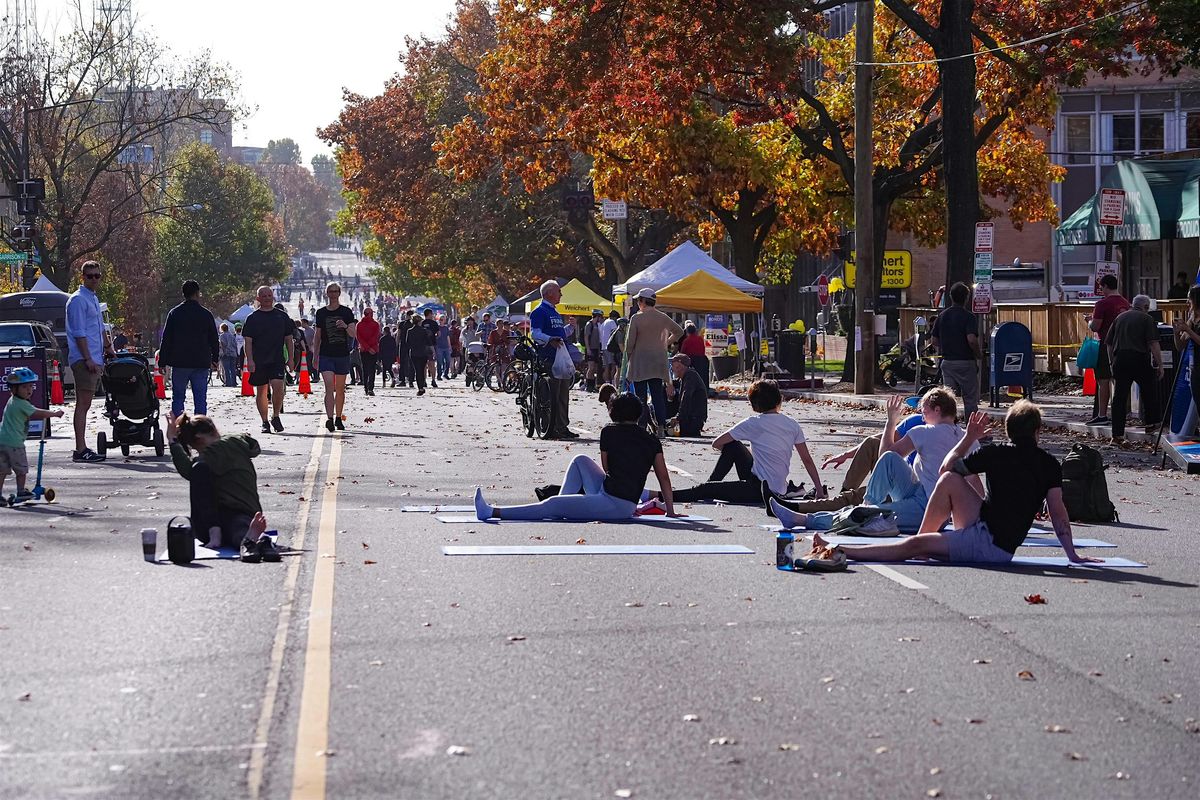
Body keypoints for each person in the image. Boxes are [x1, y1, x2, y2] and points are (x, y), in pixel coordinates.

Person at [811, 401, 1101, 566]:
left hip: (989, 546)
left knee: (909, 546)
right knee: (950, 481)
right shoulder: (1048, 464)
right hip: (987, 529)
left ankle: (843, 549)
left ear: (1009, 430)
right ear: (1038, 431)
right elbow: (1058, 513)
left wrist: (969, 438)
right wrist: (1071, 554)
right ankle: (924, 542)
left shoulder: (995, 452)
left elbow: (947, 465)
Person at [769, 389, 982, 534]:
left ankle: (805, 520)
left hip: (928, 505)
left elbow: (884, 454)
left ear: (937, 410)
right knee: (889, 463)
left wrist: (891, 421)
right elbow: (975, 484)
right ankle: (867, 505)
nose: (922, 416)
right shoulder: (968, 439)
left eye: (924, 411)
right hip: (918, 492)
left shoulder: (925, 432)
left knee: (865, 512)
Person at [474, 393, 678, 521]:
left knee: (552, 504)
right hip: (620, 498)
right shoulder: (651, 439)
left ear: (614, 413)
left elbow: (606, 467)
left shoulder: (609, 432)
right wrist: (670, 510)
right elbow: (664, 478)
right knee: (580, 460)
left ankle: (493, 512)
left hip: (616, 504)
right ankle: (563, 505)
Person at [664, 379, 824, 504]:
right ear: (778, 400)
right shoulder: (792, 424)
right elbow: (807, 460)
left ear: (754, 404)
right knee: (734, 447)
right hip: (777, 488)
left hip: (758, 490)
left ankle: (661, 495)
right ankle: (711, 486)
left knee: (730, 449)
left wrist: (750, 452)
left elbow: (717, 443)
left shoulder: (753, 423)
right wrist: (819, 490)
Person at [166, 412, 278, 562]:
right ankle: (257, 539)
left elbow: (189, 472)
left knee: (199, 470)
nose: (199, 453)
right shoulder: (236, 443)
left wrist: (172, 441)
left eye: (196, 447)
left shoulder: (212, 453)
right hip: (246, 514)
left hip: (216, 520)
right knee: (237, 530)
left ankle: (219, 532)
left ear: (200, 438)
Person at [65, 260, 114, 463]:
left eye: (97, 275)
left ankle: (82, 447)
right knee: (83, 404)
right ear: (82, 277)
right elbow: (79, 333)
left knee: (86, 403)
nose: (94, 279)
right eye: (90, 275)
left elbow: (100, 327)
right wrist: (88, 359)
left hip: (95, 357)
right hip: (84, 359)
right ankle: (80, 449)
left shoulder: (93, 299)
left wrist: (108, 347)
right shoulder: (77, 300)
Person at [624, 288, 684, 433]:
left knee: (641, 397)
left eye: (639, 300)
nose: (638, 303)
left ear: (643, 301)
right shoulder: (662, 317)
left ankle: (642, 426)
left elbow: (629, 343)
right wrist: (666, 343)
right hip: (658, 361)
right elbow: (679, 331)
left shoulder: (636, 318)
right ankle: (661, 427)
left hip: (640, 361)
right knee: (657, 395)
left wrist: (628, 357)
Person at [0, 368, 65, 501]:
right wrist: (54, 414)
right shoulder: (21, 404)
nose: (29, 390)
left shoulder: (12, 401)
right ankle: (21, 491)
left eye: (31, 386)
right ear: (13, 389)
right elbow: (37, 413)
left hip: (2, 441)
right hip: (14, 444)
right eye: (24, 387)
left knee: (2, 470)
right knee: (21, 469)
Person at [159, 280, 219, 418]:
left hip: (180, 362)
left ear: (183, 294)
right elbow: (214, 339)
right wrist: (215, 358)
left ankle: (178, 428)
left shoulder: (174, 313)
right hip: (200, 362)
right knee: (200, 399)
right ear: (198, 293)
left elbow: (166, 339)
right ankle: (200, 429)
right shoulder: (206, 314)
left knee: (178, 397)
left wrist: (162, 361)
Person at [1107, 295, 1164, 441]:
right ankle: (1151, 423)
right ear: (1145, 307)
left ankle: (1117, 433)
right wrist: (1160, 364)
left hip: (1120, 358)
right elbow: (1153, 343)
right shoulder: (1147, 319)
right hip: (1139, 358)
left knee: (1119, 397)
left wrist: (1112, 362)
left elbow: (1109, 343)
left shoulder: (1119, 318)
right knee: (1149, 390)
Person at [242, 286, 294, 435]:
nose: (266, 298)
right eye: (263, 295)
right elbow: (248, 342)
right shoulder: (252, 318)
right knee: (262, 391)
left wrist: (291, 359)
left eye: (269, 295)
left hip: (277, 359)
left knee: (278, 387)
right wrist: (249, 360)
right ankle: (264, 421)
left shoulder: (282, 316)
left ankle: (275, 416)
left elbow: (289, 339)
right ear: (258, 298)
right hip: (259, 360)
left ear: (273, 297)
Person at [530, 280, 575, 439]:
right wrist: (549, 339)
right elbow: (535, 333)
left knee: (563, 393)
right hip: (549, 357)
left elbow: (558, 332)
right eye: (558, 291)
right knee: (552, 394)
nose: (561, 294)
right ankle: (550, 426)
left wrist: (569, 329)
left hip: (560, 357)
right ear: (549, 293)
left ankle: (562, 427)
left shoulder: (555, 312)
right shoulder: (539, 311)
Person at [1086, 274, 1131, 426]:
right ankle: (1120, 413)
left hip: (1105, 344)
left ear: (1105, 286)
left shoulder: (1102, 304)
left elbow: (1096, 326)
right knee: (1119, 380)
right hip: (1124, 345)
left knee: (1103, 380)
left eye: (1102, 287)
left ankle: (1102, 415)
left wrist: (1089, 321)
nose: (1101, 290)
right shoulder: (1125, 302)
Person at [313, 282, 358, 431]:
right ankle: (329, 419)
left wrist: (345, 326)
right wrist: (315, 355)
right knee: (328, 387)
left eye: (335, 291)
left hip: (342, 354)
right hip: (326, 354)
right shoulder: (321, 313)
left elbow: (353, 333)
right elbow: (317, 335)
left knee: (340, 388)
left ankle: (338, 417)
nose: (333, 294)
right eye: (330, 291)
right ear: (327, 293)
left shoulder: (346, 312)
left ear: (339, 293)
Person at [931, 282, 981, 415]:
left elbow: (934, 341)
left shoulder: (942, 316)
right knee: (970, 397)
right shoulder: (969, 317)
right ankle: (971, 426)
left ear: (951, 297)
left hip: (947, 362)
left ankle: (948, 425)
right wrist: (978, 354)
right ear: (966, 298)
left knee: (948, 398)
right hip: (966, 361)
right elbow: (971, 339)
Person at [1172, 285, 1200, 434]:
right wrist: (1177, 333)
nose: (1188, 303)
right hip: (1196, 367)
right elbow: (1180, 346)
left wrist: (1188, 330)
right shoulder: (1192, 319)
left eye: (1190, 299)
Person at [665, 354, 707, 437]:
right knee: (664, 389)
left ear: (679, 366)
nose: (672, 369)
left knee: (681, 433)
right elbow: (671, 383)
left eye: (673, 366)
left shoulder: (690, 376)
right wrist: (668, 385)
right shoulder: (683, 378)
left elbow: (686, 397)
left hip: (693, 418)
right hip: (689, 417)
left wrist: (678, 417)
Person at [404, 312, 432, 395]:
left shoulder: (409, 331)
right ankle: (421, 386)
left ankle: (420, 387)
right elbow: (428, 342)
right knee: (422, 369)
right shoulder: (424, 331)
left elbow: (407, 342)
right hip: (423, 352)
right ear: (419, 322)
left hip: (413, 353)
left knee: (417, 370)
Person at [356, 307, 381, 396]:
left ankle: (366, 388)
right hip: (373, 349)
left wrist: (366, 347)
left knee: (365, 368)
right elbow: (376, 337)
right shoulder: (375, 324)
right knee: (372, 369)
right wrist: (370, 348)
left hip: (363, 349)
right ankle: (370, 388)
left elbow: (359, 338)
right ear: (370, 314)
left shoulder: (359, 324)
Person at [678, 321, 709, 387]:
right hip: (702, 359)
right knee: (704, 376)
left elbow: (682, 353)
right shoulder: (700, 339)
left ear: (687, 332)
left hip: (692, 361)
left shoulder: (686, 340)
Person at [583, 309, 604, 392]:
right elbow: (586, 337)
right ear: (597, 316)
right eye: (600, 316)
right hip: (590, 348)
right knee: (590, 367)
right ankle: (588, 385)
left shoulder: (596, 325)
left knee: (594, 368)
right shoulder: (589, 324)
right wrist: (588, 348)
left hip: (596, 349)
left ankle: (592, 385)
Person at [420, 309, 441, 388]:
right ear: (429, 314)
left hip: (423, 346)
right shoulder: (434, 323)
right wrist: (434, 337)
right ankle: (433, 380)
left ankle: (424, 381)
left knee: (424, 364)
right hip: (432, 344)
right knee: (432, 363)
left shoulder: (421, 323)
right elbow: (439, 334)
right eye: (432, 314)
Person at [600, 310, 620, 385]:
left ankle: (606, 383)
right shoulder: (612, 322)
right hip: (610, 347)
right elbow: (615, 334)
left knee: (606, 367)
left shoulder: (603, 323)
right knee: (613, 366)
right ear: (614, 317)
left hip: (603, 347)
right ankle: (612, 383)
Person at [396, 312, 413, 387]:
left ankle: (402, 380)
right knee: (411, 363)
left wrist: (396, 345)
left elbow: (398, 335)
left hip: (403, 344)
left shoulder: (402, 324)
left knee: (402, 363)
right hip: (412, 345)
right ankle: (411, 380)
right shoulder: (414, 324)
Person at [435, 316, 452, 381]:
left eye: (443, 320)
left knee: (448, 361)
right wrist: (436, 336)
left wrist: (449, 346)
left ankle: (446, 374)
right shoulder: (437, 328)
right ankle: (439, 375)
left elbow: (448, 337)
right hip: (439, 347)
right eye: (440, 319)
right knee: (439, 362)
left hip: (446, 347)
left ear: (445, 320)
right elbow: (435, 336)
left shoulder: (446, 328)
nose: (441, 321)